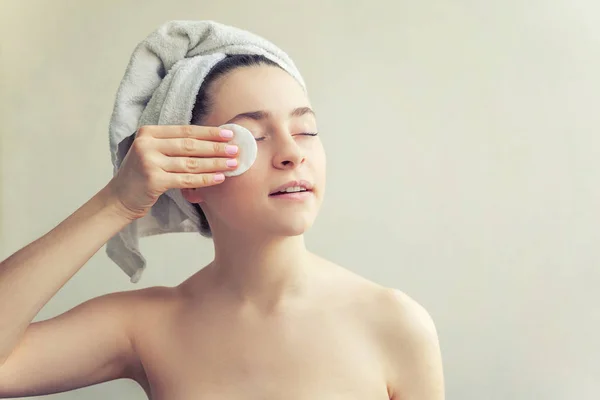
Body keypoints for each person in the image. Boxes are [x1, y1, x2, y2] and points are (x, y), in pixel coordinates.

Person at [0, 52, 445, 399]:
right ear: (190, 175)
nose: (293, 153)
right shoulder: (148, 326)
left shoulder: (394, 322)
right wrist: (116, 202)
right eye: (253, 137)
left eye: (306, 129)